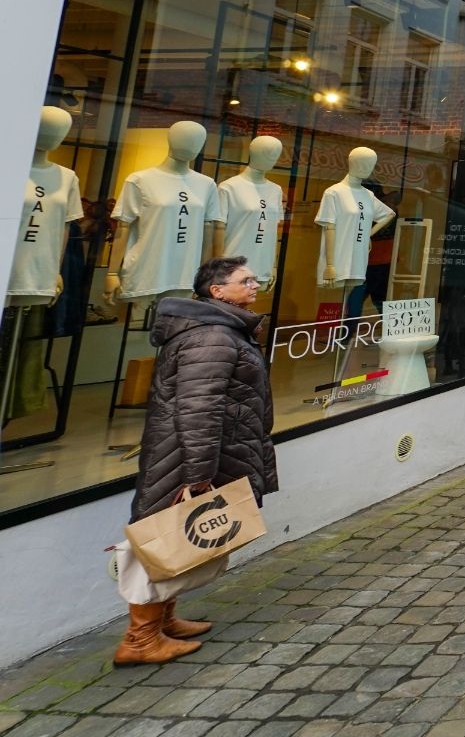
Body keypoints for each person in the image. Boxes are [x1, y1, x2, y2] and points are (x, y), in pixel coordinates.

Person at [117, 256, 277, 666]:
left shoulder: (221, 330)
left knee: (180, 541)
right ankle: (140, 640)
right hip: (189, 456)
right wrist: (199, 474)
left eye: (254, 279)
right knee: (163, 537)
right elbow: (199, 409)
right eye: (246, 280)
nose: (255, 286)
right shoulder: (212, 337)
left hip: (203, 452)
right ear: (216, 291)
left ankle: (165, 619)